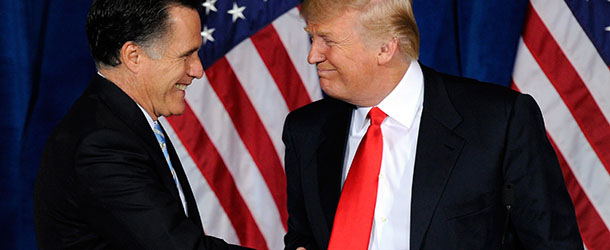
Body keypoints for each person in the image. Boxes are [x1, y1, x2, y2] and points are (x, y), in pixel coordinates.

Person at [282, 0, 583, 249]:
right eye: (312, 38)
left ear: (385, 48)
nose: (312, 56)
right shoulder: (304, 131)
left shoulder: (500, 121)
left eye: (327, 41)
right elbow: (304, 235)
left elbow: (554, 243)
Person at [33, 0, 251, 249]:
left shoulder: (122, 123)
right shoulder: (101, 143)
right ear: (133, 57)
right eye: (186, 55)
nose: (198, 70)